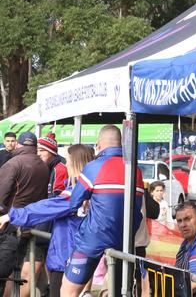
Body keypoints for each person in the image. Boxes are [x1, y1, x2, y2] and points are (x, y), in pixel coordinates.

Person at [59, 124, 145, 297]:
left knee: (68, 290)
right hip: (125, 241)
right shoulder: (135, 170)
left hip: (93, 239)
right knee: (117, 291)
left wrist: (87, 202)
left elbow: (73, 203)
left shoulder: (94, 167)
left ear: (98, 144)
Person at [0, 144, 95, 297]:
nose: (66, 165)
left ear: (76, 163)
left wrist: (12, 215)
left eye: (69, 161)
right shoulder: (84, 192)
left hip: (67, 258)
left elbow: (47, 207)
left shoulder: (75, 195)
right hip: (72, 256)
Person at [0, 132, 49, 297]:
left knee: (5, 273)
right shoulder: (43, 166)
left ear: (19, 145)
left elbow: (1, 197)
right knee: (25, 274)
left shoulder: (13, 164)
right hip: (35, 224)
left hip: (11, 225)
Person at [37, 133, 68, 197]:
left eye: (42, 150)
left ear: (51, 152)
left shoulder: (60, 169)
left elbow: (58, 199)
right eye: (37, 151)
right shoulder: (46, 166)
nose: (38, 154)